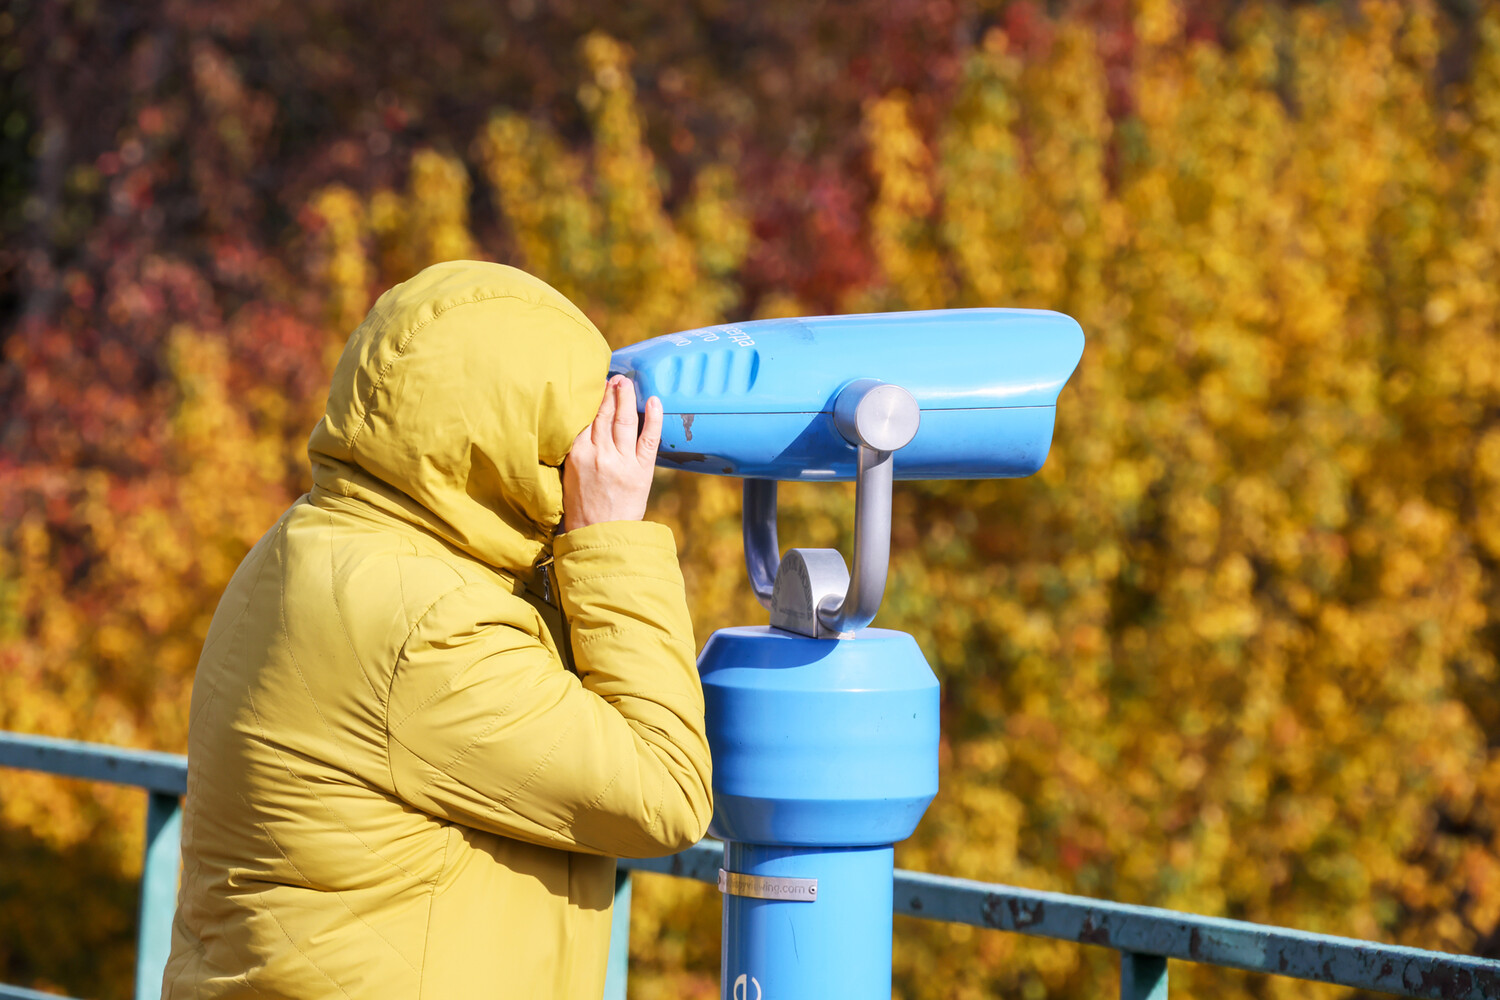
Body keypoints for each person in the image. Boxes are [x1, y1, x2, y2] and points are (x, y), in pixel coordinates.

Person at [161, 261, 713, 998]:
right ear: (514, 449)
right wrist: (608, 538)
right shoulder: (427, 627)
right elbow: (664, 793)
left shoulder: (310, 542)